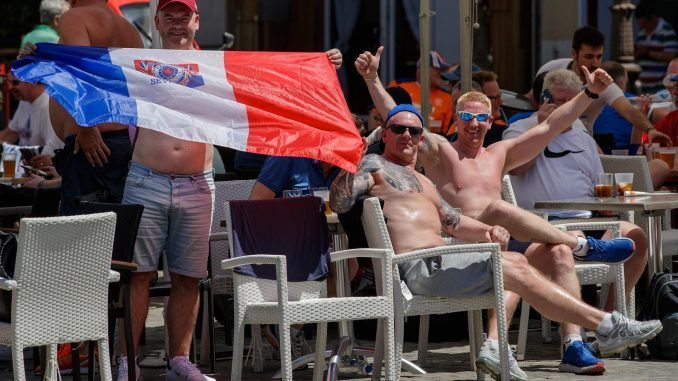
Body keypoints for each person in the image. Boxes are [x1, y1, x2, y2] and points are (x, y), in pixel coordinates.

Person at [356, 46, 639, 377]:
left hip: (503, 240)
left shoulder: (499, 153)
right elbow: (401, 121)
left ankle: (573, 346)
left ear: (492, 121)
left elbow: (550, 127)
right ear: (456, 121)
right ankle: (582, 250)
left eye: (481, 118)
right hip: (463, 247)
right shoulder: (441, 153)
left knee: (560, 253)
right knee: (498, 208)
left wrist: (591, 92)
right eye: (466, 118)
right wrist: (372, 79)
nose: (474, 125)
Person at [505, 69, 648, 315]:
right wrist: (543, 129)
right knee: (576, 236)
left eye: (574, 101)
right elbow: (516, 168)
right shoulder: (521, 130)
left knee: (636, 237)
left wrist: (612, 202)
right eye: (562, 101)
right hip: (543, 225)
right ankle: (580, 327)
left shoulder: (582, 135)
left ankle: (612, 317)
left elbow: (598, 187)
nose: (570, 108)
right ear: (544, 100)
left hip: (587, 219)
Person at [18, 0, 144, 214]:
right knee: (112, 232)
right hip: (118, 143)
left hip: (91, 145)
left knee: (82, 237)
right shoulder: (128, 28)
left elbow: (81, 71)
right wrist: (38, 60)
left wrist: (86, 126)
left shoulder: (74, 17)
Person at [537, 26, 672, 146]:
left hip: (582, 146)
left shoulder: (603, 83)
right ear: (574, 54)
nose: (595, 63)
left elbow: (629, 111)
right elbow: (532, 100)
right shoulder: (551, 69)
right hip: (546, 140)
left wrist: (650, 129)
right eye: (589, 57)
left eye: (599, 56)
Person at [387, 50, 453, 133]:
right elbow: (377, 114)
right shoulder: (398, 86)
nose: (441, 74)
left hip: (432, 142)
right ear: (421, 69)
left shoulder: (448, 98)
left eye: (442, 70)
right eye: (438, 69)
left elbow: (446, 132)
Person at [0, 73, 63, 155]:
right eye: (8, 82)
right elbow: (10, 135)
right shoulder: (24, 101)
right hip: (22, 162)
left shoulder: (48, 105)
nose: (10, 87)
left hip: (36, 165)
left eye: (15, 83)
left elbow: (53, 150)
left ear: (33, 82)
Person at [634, 1, 678, 94]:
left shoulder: (667, 31)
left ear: (653, 19)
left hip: (660, 88)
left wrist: (648, 53)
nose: (643, 28)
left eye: (645, 24)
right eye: (641, 25)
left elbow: (670, 57)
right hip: (643, 87)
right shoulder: (641, 33)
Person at [471, 70, 508, 146]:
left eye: (499, 96)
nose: (500, 101)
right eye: (495, 98)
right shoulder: (460, 128)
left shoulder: (501, 131)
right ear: (477, 99)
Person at [653, 74, 678, 144]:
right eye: (675, 86)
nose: (674, 92)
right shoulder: (672, 117)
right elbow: (646, 141)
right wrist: (642, 113)